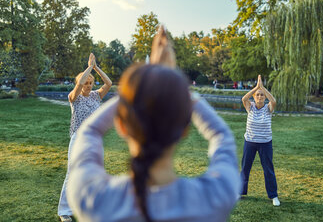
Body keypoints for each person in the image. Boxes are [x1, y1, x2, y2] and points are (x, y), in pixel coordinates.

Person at [66, 26, 240, 222]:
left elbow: (89, 132)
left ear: (121, 126)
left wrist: (137, 89)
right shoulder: (215, 198)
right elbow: (222, 136)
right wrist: (172, 86)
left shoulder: (93, 199)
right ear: (185, 129)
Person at [58, 53, 112, 222]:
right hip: (78, 139)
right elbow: (80, 82)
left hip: (94, 139)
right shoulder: (74, 98)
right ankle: (64, 211)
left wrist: (96, 67)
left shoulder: (97, 95)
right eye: (85, 83)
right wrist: (89, 66)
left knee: (96, 172)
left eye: (90, 83)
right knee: (72, 173)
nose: (88, 86)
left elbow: (109, 83)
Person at [240, 74, 280, 206]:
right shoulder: (249, 106)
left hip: (265, 144)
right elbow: (243, 98)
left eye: (261, 95)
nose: (259, 97)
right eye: (257, 95)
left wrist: (263, 88)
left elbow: (273, 100)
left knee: (268, 169)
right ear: (254, 97)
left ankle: (273, 196)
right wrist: (256, 87)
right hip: (250, 142)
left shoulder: (268, 108)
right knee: (245, 168)